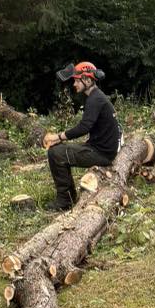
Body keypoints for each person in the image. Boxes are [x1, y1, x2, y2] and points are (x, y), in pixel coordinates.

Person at [46, 61, 121, 210]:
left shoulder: (95, 99)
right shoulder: (96, 96)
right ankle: (68, 196)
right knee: (59, 150)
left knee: (55, 153)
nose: (74, 84)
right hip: (100, 148)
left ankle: (65, 200)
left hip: (102, 154)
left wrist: (58, 136)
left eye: (76, 80)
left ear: (87, 80)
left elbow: (84, 127)